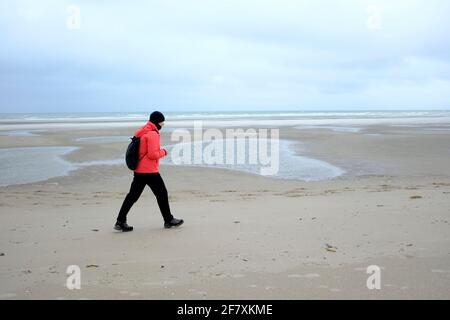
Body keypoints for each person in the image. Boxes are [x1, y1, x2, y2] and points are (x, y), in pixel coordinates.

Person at [114, 111, 184, 232]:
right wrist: (164, 152)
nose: (163, 125)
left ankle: (120, 221)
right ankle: (168, 220)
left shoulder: (143, 131)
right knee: (162, 193)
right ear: (158, 122)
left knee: (132, 196)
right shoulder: (152, 134)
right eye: (162, 122)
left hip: (139, 170)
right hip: (149, 171)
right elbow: (152, 155)